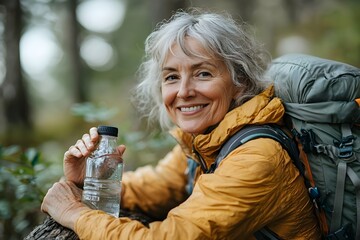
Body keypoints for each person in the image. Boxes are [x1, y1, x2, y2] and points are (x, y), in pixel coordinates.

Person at [41, 9, 322, 239]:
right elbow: (155, 187)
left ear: (240, 82)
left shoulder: (257, 157)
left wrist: (75, 214)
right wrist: (91, 179)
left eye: (202, 73)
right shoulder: (208, 141)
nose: (184, 91)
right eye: (172, 77)